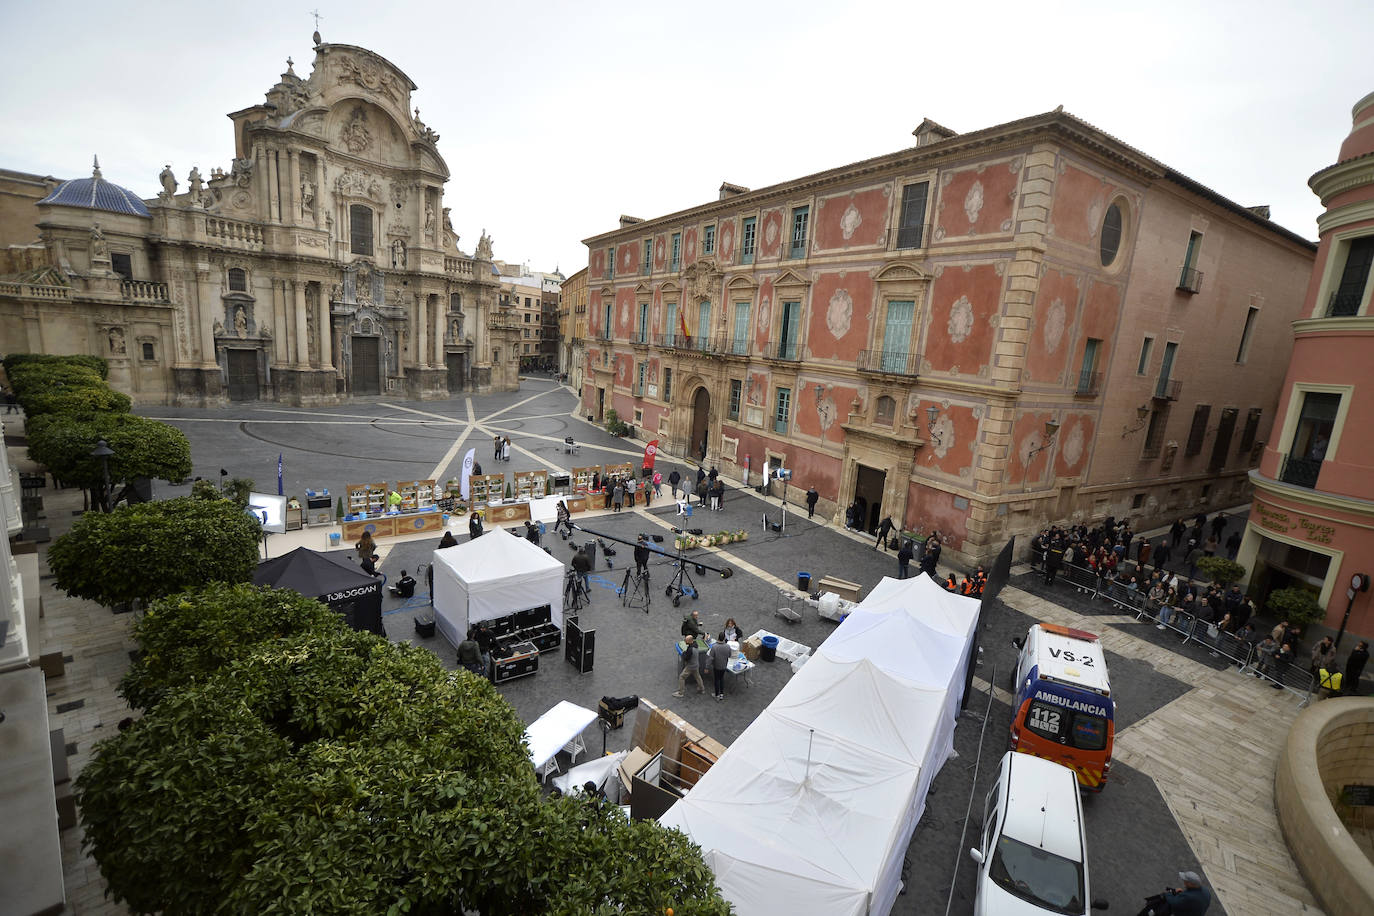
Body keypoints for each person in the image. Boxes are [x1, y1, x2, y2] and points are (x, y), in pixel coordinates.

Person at [1137, 870, 1211, 916]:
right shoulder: (1206, 891)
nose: (1184, 882)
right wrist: (1183, 893)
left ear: (1191, 884)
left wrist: (1168, 894)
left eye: (1185, 881)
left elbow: (1174, 902)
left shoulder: (1189, 897)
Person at [710, 632, 731, 700]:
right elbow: (729, 655)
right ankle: (721, 694)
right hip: (724, 666)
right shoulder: (727, 646)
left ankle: (717, 694)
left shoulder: (714, 647)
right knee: (721, 679)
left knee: (716, 680)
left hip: (716, 666)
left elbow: (711, 658)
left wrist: (707, 667)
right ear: (724, 638)